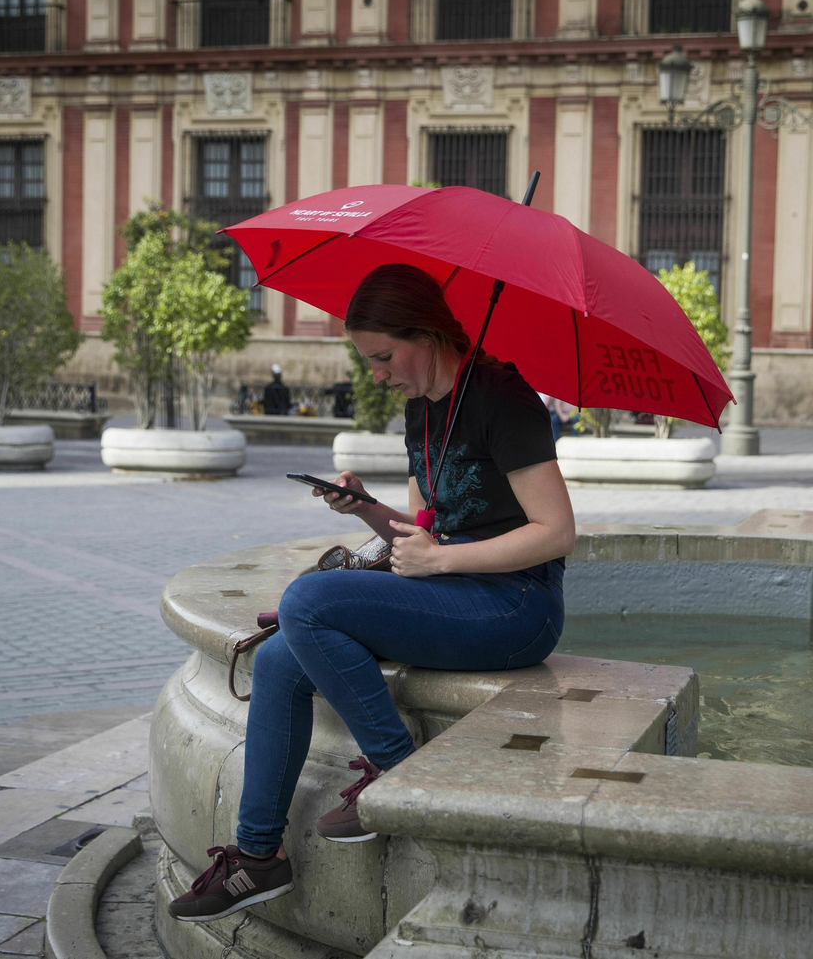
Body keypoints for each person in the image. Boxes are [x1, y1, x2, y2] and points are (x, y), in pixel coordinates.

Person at [167, 263, 576, 923]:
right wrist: (363, 508)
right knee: (279, 658)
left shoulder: (504, 398)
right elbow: (421, 533)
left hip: (517, 606)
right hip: (453, 592)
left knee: (306, 603)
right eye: (370, 361)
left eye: (384, 357)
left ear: (427, 334)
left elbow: (556, 532)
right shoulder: (423, 411)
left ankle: (401, 769)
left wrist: (442, 559)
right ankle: (259, 855)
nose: (378, 374)